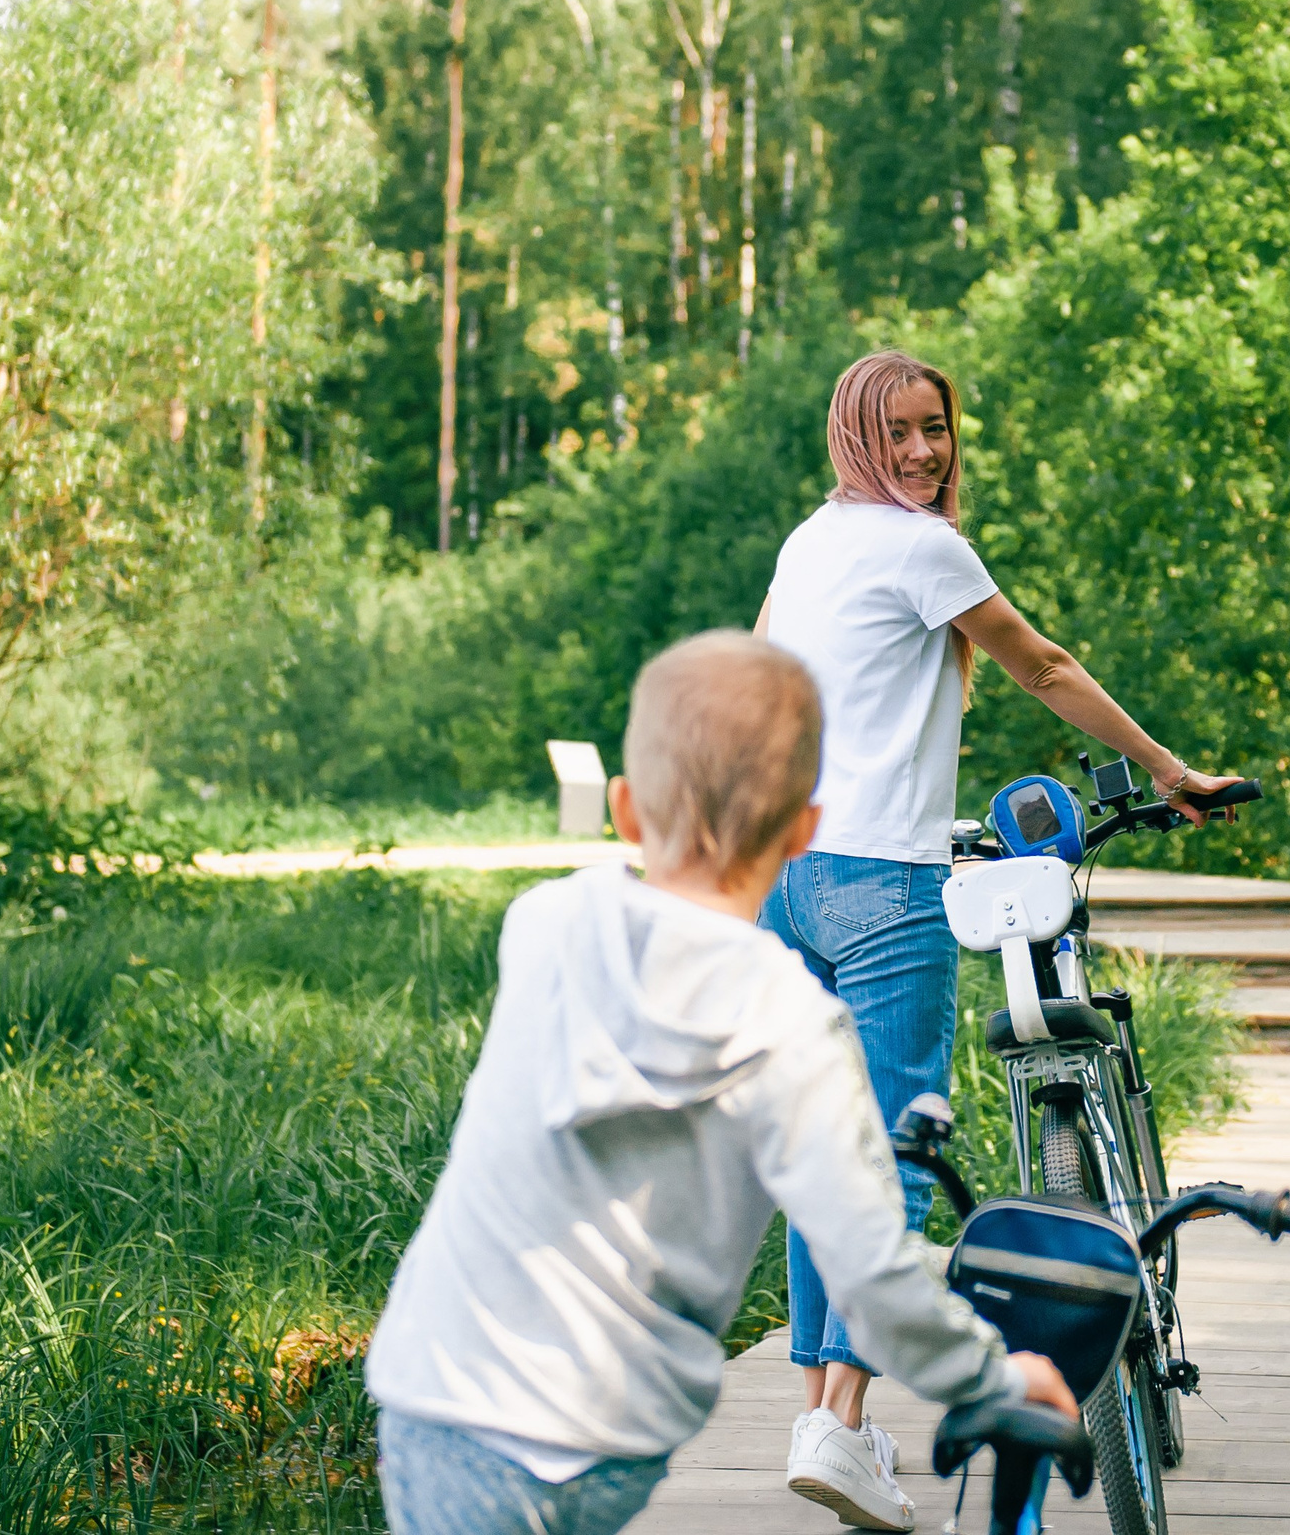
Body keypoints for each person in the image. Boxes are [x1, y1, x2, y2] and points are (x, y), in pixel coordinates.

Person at [363, 632, 1076, 1535]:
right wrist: (995, 1376)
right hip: (608, 1441)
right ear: (807, 832)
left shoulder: (542, 924)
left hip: (441, 1400)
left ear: (625, 810)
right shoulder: (790, 1024)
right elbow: (870, 1276)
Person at [756, 349, 1240, 1530]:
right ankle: (845, 1421)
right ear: (855, 438)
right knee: (895, 1152)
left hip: (786, 876)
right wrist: (1170, 775)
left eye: (937, 430)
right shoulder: (926, 549)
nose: (924, 453)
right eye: (900, 434)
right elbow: (1045, 665)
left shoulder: (811, 541)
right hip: (878, 884)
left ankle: (826, 1415)